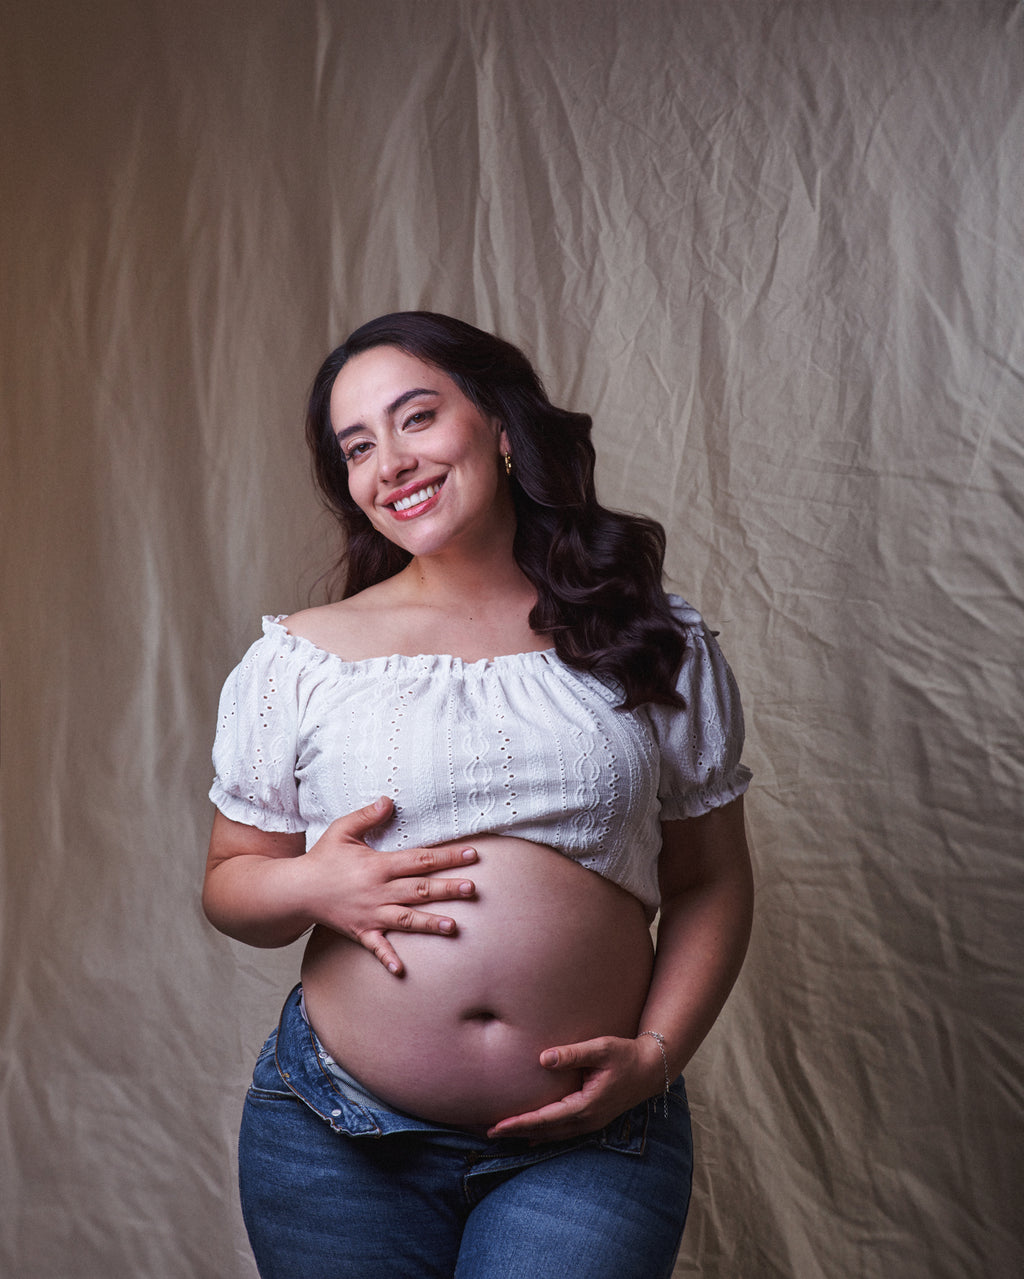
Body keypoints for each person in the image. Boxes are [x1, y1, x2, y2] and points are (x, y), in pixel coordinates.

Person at [202, 311, 754, 1279]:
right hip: (333, 1131)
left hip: (592, 1134)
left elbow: (710, 879)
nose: (390, 462)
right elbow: (232, 885)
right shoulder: (297, 656)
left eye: (416, 418)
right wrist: (313, 888)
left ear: (500, 424)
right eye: (357, 446)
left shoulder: (648, 634)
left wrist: (658, 1057)